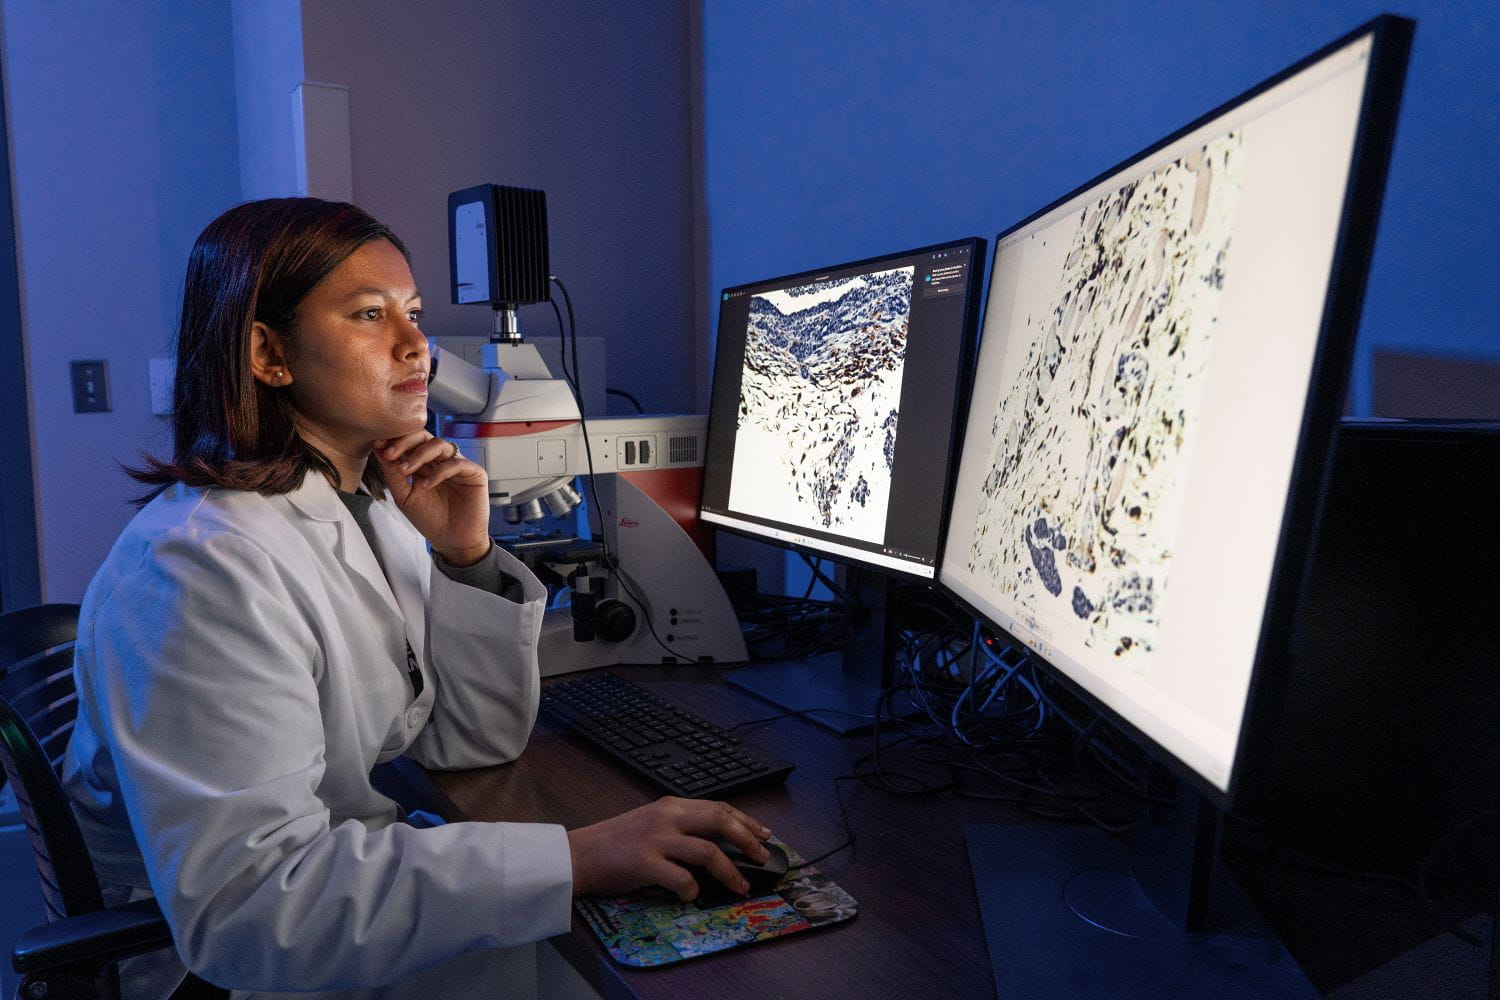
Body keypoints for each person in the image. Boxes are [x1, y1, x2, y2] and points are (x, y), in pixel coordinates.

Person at [61, 197, 772, 999]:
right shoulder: (200, 570)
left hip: (335, 886)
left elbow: (470, 739)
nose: (416, 345)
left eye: (416, 313)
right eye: (370, 315)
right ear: (268, 353)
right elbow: (251, 909)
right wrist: (577, 857)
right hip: (231, 971)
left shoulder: (367, 504)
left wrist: (466, 555)